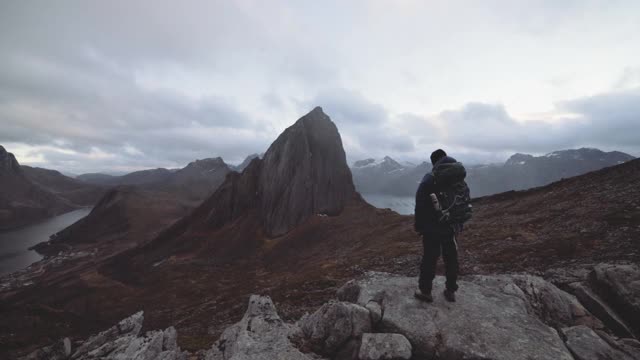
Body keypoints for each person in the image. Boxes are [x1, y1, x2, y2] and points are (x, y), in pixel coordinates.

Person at [414, 149, 466, 303]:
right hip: (452, 225)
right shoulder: (459, 176)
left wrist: (419, 226)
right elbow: (462, 199)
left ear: (433, 161)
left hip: (432, 227)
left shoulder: (430, 178)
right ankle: (450, 290)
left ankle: (425, 291)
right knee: (451, 257)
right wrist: (459, 222)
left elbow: (420, 203)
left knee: (430, 258)